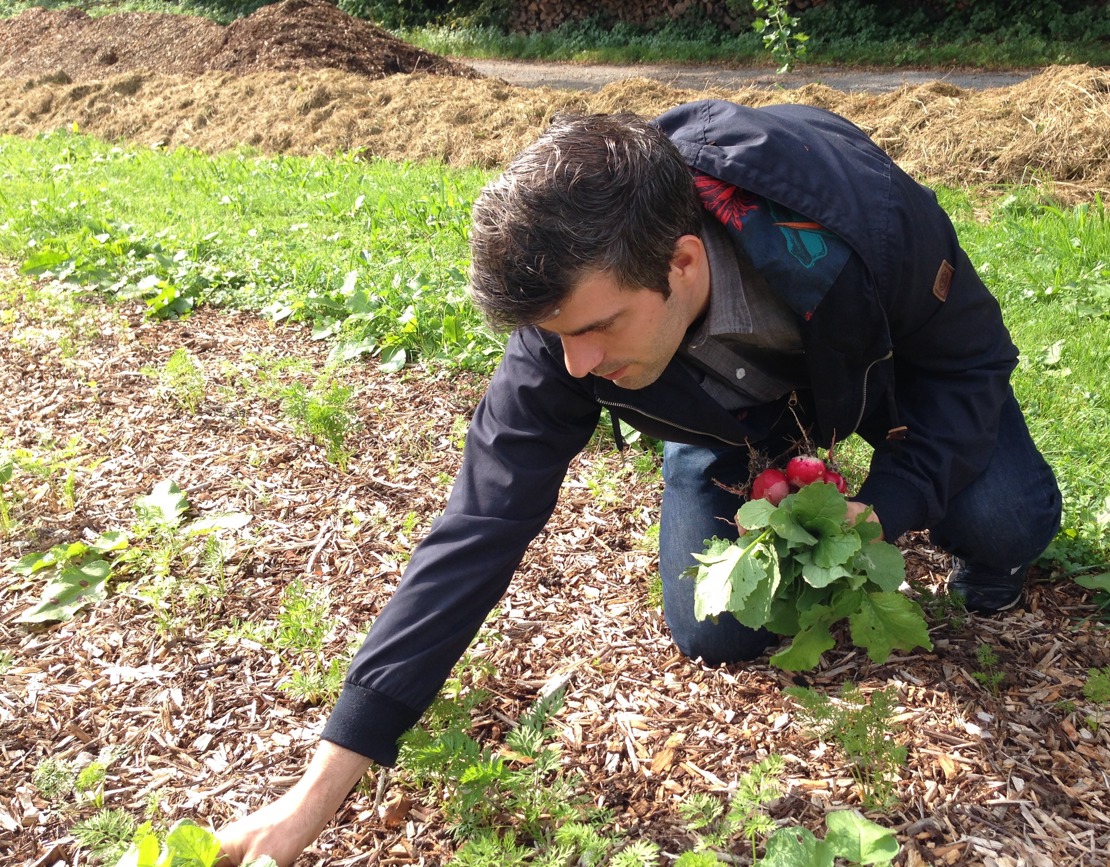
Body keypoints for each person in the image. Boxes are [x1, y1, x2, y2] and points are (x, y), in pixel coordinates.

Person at [218, 99, 1062, 865]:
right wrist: (313, 794)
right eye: (558, 340)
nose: (577, 366)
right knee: (718, 628)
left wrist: (893, 503)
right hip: (726, 413)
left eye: (595, 329)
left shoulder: (859, 218)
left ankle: (985, 564)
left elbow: (970, 363)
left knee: (1004, 513)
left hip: (886, 372)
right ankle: (717, 440)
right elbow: (477, 529)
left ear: (684, 261)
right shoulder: (569, 333)